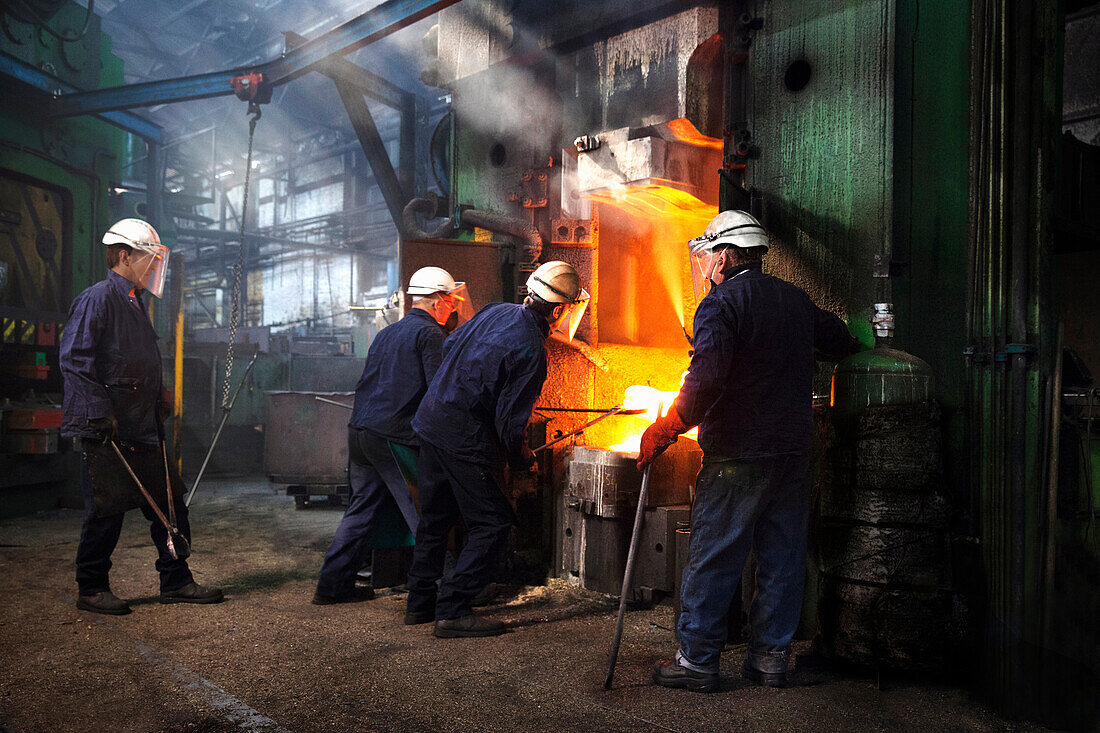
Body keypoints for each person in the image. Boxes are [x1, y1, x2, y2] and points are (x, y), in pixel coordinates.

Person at [643, 210, 860, 691]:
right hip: (792, 451)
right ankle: (771, 660)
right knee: (782, 555)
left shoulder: (720, 305)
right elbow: (844, 343)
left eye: (707, 255)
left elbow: (705, 381)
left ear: (724, 254)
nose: (704, 265)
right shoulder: (796, 300)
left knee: (716, 553)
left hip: (738, 452)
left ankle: (697, 661)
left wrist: (668, 426)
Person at [405, 261, 589, 638]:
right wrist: (524, 459)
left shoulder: (495, 311)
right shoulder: (532, 352)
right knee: (492, 522)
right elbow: (509, 426)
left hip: (432, 422)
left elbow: (453, 343)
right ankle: (453, 609)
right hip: (462, 437)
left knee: (436, 517)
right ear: (558, 310)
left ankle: (420, 603)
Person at [61, 218, 223, 615]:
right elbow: (75, 360)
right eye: (147, 259)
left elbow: (133, 362)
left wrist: (158, 397)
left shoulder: (136, 301)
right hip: (109, 429)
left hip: (140, 424)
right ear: (123, 256)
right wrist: (98, 411)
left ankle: (176, 580)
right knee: (107, 509)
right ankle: (92, 587)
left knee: (169, 504)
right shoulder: (98, 299)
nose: (153, 267)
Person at [313, 267, 467, 605]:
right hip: (393, 439)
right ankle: (453, 591)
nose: (454, 307)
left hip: (361, 433)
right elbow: (437, 392)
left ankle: (332, 585)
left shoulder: (387, 333)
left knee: (360, 511)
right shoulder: (430, 336)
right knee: (425, 515)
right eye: (451, 301)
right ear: (437, 301)